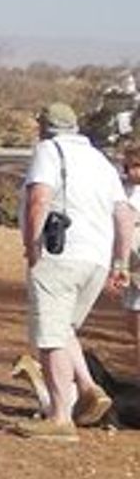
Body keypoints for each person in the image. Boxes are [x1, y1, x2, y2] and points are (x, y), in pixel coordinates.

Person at [17, 101, 134, 440]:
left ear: (45, 126)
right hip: (95, 260)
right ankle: (88, 387)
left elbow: (39, 198)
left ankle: (59, 418)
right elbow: (124, 215)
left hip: (59, 254)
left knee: (51, 336)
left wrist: (32, 245)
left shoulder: (49, 150)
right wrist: (120, 262)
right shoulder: (100, 160)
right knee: (64, 327)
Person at [122, 141, 140, 376]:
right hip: (131, 267)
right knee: (133, 328)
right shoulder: (124, 192)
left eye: (136, 166)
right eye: (127, 167)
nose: (131, 172)